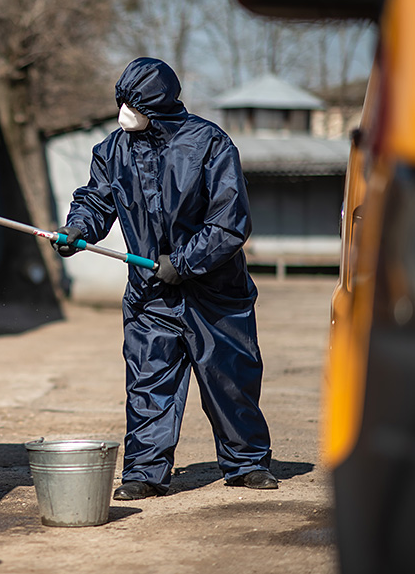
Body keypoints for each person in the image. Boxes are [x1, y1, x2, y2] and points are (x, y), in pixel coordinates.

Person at [53, 57, 276, 500]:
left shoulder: (209, 144)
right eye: (120, 102)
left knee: (229, 378)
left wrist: (185, 262)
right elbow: (97, 201)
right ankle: (145, 471)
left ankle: (247, 463)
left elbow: (229, 222)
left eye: (133, 104)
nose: (123, 113)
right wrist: (78, 227)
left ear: (157, 104)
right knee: (148, 379)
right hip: (151, 291)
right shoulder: (114, 150)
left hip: (214, 291)